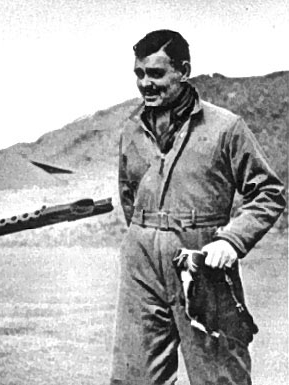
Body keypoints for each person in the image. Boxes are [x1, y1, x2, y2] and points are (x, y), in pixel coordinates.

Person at [112, 29, 286, 385]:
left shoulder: (225, 127)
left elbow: (268, 191)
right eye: (139, 74)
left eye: (156, 74)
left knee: (219, 375)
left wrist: (230, 240)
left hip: (202, 260)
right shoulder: (131, 130)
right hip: (141, 263)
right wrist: (147, 236)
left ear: (184, 70)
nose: (146, 84)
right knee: (134, 378)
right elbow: (129, 195)